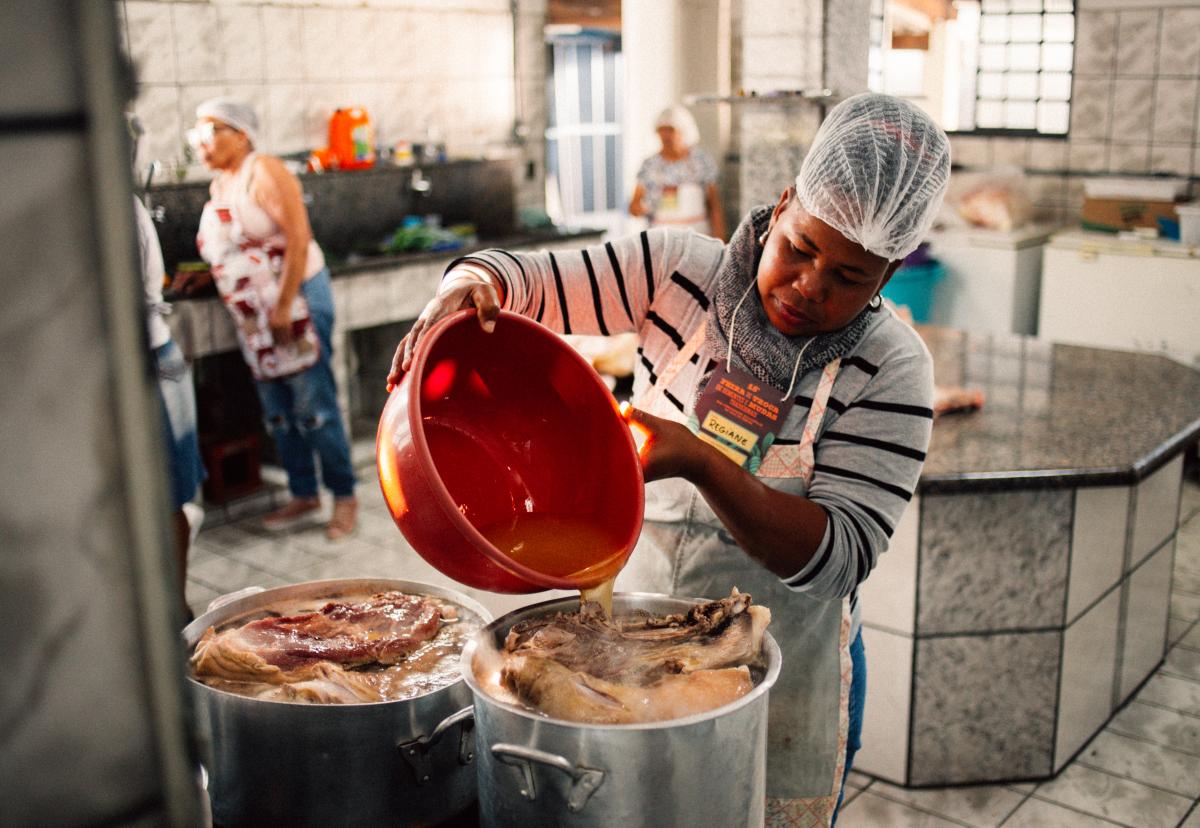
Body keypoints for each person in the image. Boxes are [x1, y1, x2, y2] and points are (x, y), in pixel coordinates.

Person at [389, 93, 950, 826]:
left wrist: (703, 463)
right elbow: (525, 283)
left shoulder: (893, 370)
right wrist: (471, 286)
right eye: (800, 249)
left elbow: (840, 557)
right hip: (624, 648)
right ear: (781, 207)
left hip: (773, 682)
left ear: (887, 277)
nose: (809, 287)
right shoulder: (678, 271)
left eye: (848, 278)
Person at [191, 98, 357, 540]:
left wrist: (283, 306)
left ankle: (344, 497)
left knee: (315, 406)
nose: (201, 144)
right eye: (197, 135)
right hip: (254, 315)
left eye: (210, 132)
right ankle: (305, 492)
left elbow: (299, 237)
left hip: (296, 299)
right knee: (279, 412)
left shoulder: (264, 170)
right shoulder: (220, 185)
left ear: (240, 134)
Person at [628, 104, 727, 241]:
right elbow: (634, 206)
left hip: (698, 237)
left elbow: (714, 206)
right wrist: (642, 208)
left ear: (685, 131)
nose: (665, 136)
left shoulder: (702, 162)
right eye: (661, 130)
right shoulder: (650, 165)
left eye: (670, 130)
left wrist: (722, 244)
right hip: (661, 239)